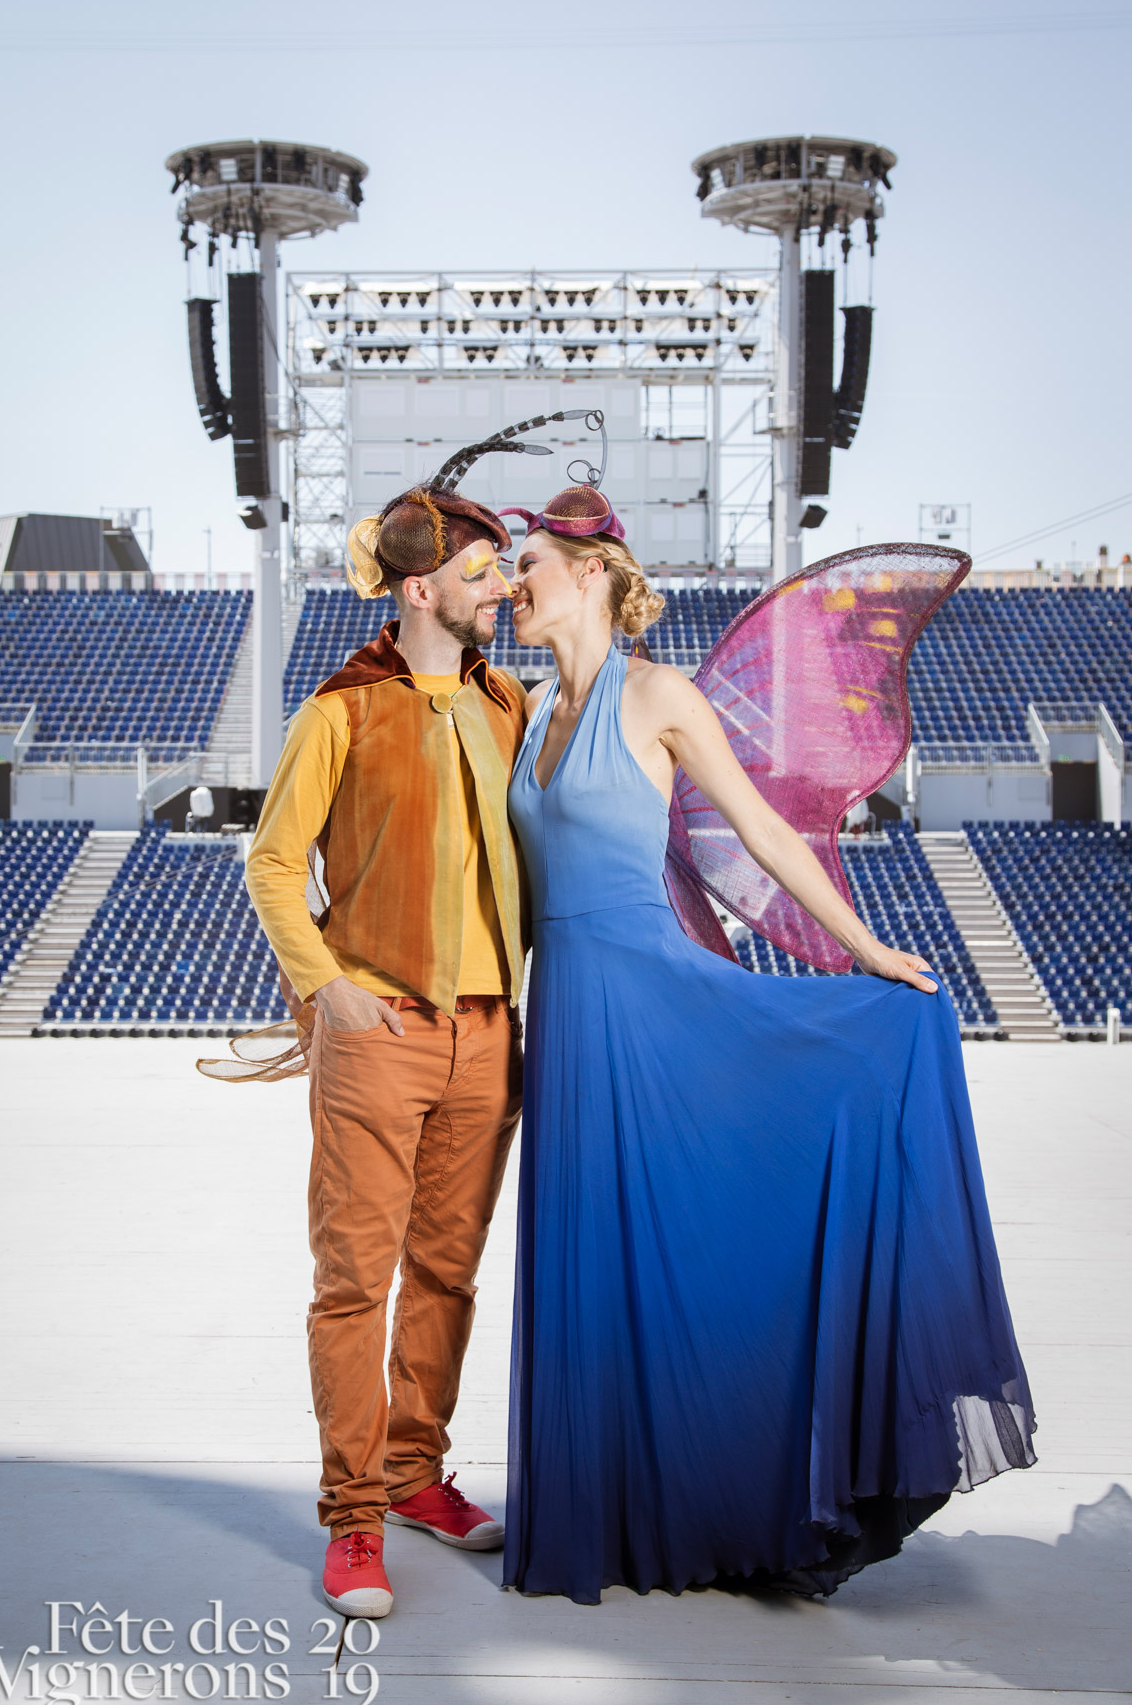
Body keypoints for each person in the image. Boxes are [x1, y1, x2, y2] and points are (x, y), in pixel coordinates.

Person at [500, 485, 1035, 1605]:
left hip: (651, 1000)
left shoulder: (661, 698)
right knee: (600, 1257)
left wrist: (866, 948)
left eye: (531, 565)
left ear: (591, 572)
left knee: (706, 1237)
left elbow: (761, 828)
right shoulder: (528, 707)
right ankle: (610, 1503)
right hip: (567, 1009)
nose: (515, 584)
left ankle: (753, 1489)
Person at [239, 466, 529, 1620]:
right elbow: (271, 862)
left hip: (489, 1038)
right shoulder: (340, 709)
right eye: (478, 571)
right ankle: (354, 1515)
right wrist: (326, 993)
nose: (498, 589)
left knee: (448, 1275)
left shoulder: (510, 704)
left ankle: (415, 1476)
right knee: (354, 1283)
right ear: (418, 588)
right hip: (380, 1031)